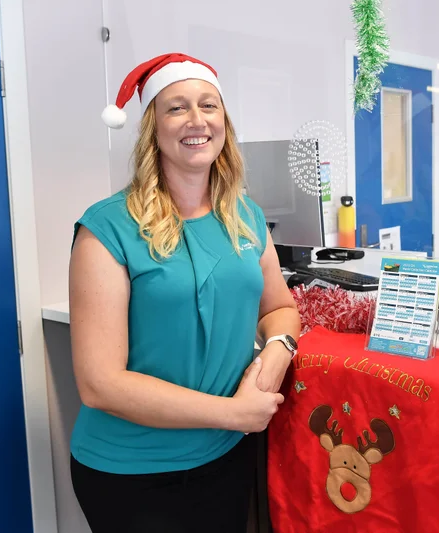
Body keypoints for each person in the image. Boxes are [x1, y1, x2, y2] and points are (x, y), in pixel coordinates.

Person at [68, 53, 301, 532]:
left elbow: (279, 307)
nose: (197, 120)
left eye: (208, 105)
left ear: (224, 123)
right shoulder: (107, 228)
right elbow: (99, 383)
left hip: (227, 456)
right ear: (153, 128)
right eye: (176, 108)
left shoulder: (246, 217)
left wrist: (277, 351)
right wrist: (235, 412)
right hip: (134, 472)